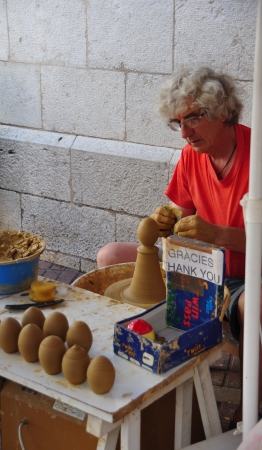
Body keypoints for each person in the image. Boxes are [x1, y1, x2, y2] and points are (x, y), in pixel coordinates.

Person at [97, 66, 258, 425]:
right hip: (200, 269)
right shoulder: (191, 156)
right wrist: (165, 221)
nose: (184, 133)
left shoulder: (258, 154)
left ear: (220, 110)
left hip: (248, 275)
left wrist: (215, 234)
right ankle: (133, 369)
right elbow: (180, 220)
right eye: (177, 122)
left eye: (193, 119)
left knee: (253, 304)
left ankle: (252, 412)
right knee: (110, 256)